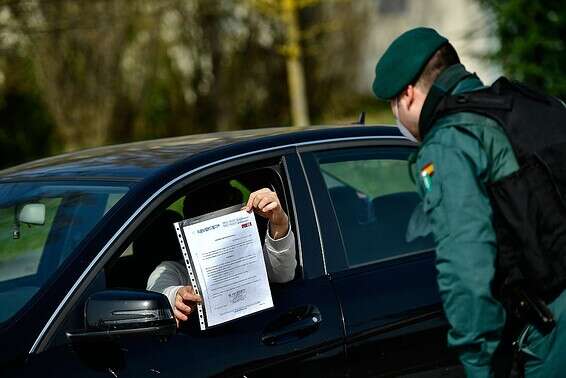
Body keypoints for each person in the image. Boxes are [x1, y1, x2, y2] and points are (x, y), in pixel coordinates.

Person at [372, 27, 566, 377]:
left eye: (393, 106)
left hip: (553, 330)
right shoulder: (522, 103)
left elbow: (466, 265)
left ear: (409, 95)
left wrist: (478, 362)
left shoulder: (449, 144)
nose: (396, 117)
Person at [147, 186, 297, 325]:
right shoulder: (172, 269)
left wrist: (279, 225)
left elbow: (282, 274)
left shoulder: (252, 256)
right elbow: (159, 291)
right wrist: (175, 296)